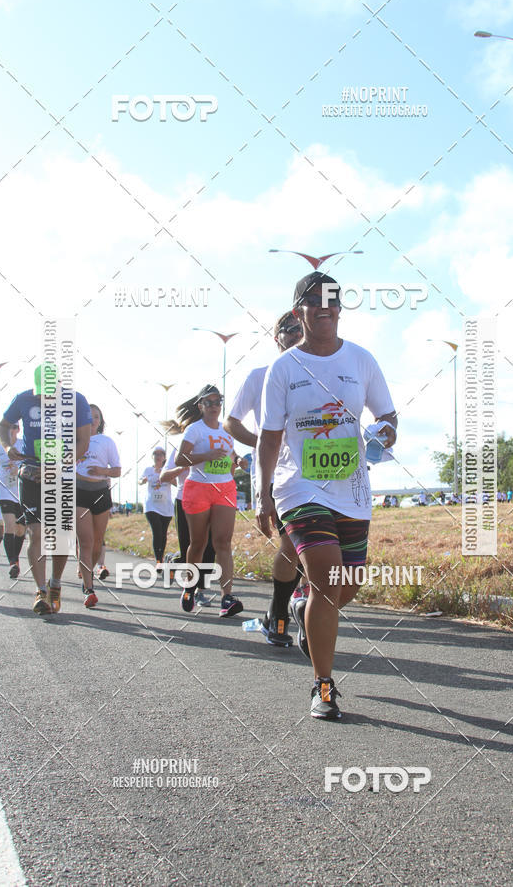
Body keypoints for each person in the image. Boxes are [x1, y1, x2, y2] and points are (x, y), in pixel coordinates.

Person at [256, 271, 397, 721]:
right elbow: (269, 438)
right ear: (298, 310)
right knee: (324, 576)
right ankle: (323, 685)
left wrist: (384, 433)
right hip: (298, 486)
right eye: (314, 300)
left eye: (333, 299)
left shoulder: (360, 360)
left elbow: (388, 415)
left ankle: (302, 610)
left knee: (344, 585)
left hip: (351, 489)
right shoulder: (283, 368)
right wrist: (263, 495)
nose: (325, 306)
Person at [224, 311, 304, 646]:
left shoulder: (320, 372)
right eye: (288, 329)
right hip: (275, 471)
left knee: (309, 546)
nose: (296, 333)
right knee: (292, 543)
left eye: (300, 328)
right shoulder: (260, 376)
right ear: (276, 338)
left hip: (315, 472)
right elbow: (231, 421)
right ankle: (280, 615)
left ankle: (283, 611)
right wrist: (263, 442)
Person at [0, 363, 92, 615]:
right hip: (30, 472)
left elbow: (83, 442)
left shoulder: (77, 401)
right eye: (41, 393)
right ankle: (40, 591)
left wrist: (57, 467)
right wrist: (8, 447)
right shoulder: (23, 398)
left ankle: (55, 583)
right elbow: (3, 425)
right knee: (37, 533)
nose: (44, 398)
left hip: (62, 474)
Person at [175, 385, 246, 617]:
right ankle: (190, 586)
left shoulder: (226, 430)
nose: (214, 406)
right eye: (209, 402)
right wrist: (206, 456)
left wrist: (239, 460)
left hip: (224, 488)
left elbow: (231, 454)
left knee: (223, 542)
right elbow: (180, 459)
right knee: (198, 543)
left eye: (218, 402)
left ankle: (227, 597)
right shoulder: (195, 430)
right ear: (201, 406)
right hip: (199, 488)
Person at [160, 421, 216, 607]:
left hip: (210, 501)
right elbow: (163, 477)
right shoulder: (180, 447)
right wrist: (179, 470)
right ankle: (173, 560)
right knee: (189, 550)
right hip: (185, 500)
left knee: (210, 548)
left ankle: (199, 591)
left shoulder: (214, 444)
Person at [76, 405, 121, 608]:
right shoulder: (73, 439)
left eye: (97, 416)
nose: (93, 420)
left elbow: (117, 470)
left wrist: (102, 470)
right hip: (79, 491)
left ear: (101, 421)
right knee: (85, 542)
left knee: (96, 543)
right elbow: (62, 465)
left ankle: (87, 571)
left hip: (101, 491)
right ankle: (89, 588)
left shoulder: (106, 441)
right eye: (89, 416)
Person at [0, 424, 26, 578]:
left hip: (22, 492)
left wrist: (20, 470)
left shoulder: (24, 444)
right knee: (9, 526)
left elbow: (33, 462)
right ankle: (13, 563)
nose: (11, 430)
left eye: (14, 427)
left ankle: (15, 559)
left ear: (18, 429)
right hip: (4, 492)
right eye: (8, 427)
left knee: (20, 530)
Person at [140, 447, 175, 576]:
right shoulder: (148, 470)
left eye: (161, 454)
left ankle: (161, 557)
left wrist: (167, 477)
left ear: (164, 457)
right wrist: (143, 480)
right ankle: (159, 561)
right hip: (151, 506)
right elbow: (140, 481)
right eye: (155, 454)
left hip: (165, 506)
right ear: (152, 457)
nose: (158, 456)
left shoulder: (168, 470)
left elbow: (176, 483)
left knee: (163, 534)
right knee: (157, 531)